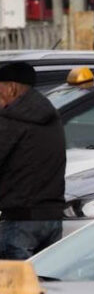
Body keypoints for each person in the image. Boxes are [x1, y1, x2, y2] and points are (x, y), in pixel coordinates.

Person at [0, 62, 66, 259]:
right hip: (52, 219)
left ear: (11, 87)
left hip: (21, 221)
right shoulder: (50, 115)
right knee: (48, 285)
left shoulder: (11, 120)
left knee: (14, 287)